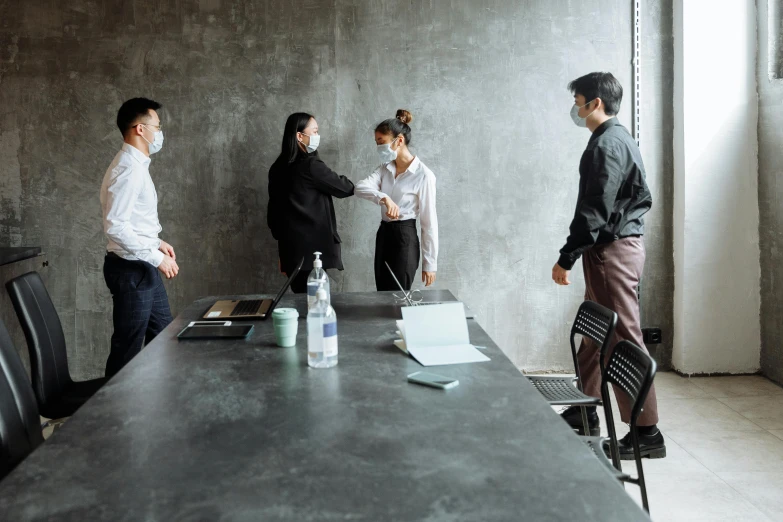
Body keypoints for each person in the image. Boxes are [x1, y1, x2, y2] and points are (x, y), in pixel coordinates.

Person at [553, 72, 665, 459]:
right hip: (615, 248)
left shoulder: (605, 146)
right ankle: (586, 410)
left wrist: (566, 257)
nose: (576, 108)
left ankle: (646, 432)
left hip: (612, 251)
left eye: (579, 100)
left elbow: (593, 210)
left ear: (595, 103)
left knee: (623, 338)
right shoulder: (617, 138)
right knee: (596, 335)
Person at [101, 97, 178, 378]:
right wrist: (156, 257)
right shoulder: (128, 169)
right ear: (140, 129)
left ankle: (158, 410)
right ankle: (111, 417)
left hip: (141, 266)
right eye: (157, 126)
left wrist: (156, 242)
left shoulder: (136, 165)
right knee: (127, 352)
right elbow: (116, 226)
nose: (160, 133)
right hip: (132, 269)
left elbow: (132, 220)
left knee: (164, 338)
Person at [267, 113, 354, 293]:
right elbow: (345, 188)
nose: (317, 136)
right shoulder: (310, 165)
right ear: (300, 136)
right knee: (316, 307)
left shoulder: (277, 167)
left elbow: (273, 213)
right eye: (314, 131)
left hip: (290, 252)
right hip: (314, 254)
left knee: (302, 302)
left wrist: (283, 250)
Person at [355, 110, 438, 291]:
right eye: (377, 142)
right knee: (382, 294)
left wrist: (429, 263)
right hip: (384, 234)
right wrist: (384, 198)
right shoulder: (385, 168)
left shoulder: (424, 175)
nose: (378, 148)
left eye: (381, 142)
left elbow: (428, 222)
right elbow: (360, 187)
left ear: (399, 141)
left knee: (398, 296)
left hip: (404, 238)